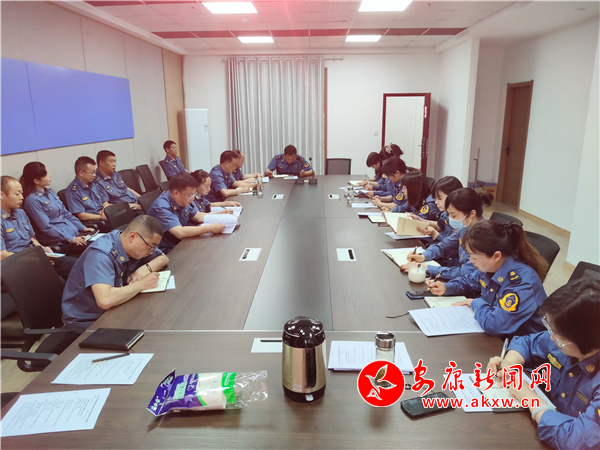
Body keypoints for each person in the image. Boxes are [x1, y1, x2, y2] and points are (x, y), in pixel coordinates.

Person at [486, 278, 600, 450]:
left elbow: (576, 441)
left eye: (559, 336)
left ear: (586, 338)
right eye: (550, 328)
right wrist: (509, 363)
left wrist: (528, 396)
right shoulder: (565, 338)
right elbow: (527, 343)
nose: (552, 337)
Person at [427, 221, 548, 338]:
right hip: (497, 333)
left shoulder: (521, 282)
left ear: (496, 256)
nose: (471, 261)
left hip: (522, 344)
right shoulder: (492, 266)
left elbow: (495, 326)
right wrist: (447, 287)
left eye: (474, 257)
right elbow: (469, 282)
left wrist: (474, 303)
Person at [61, 215, 168, 330]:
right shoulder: (100, 254)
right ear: (133, 237)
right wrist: (142, 284)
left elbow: (163, 258)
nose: (151, 252)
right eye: (150, 247)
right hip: (87, 320)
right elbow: (105, 300)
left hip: (115, 308)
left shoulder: (128, 242)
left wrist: (145, 268)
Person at [401, 188, 493, 280]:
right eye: (449, 214)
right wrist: (423, 255)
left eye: (454, 215)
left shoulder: (483, 236)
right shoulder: (465, 227)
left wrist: (427, 268)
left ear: (472, 214)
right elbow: (444, 246)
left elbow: (465, 273)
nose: (450, 219)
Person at [1, 176, 77, 279]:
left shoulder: (20, 213)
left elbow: (31, 238)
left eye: (21, 193)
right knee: (56, 281)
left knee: (78, 265)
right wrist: (36, 259)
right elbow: (2, 254)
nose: (21, 197)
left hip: (35, 257)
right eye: (17, 194)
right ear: (2, 195)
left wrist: (42, 249)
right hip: (17, 265)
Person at [21, 162, 94, 255]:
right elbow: (46, 227)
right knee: (95, 248)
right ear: (36, 181)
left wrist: (82, 228)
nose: (49, 176)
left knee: (102, 241)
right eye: (45, 174)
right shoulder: (32, 200)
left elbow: (66, 214)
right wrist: (71, 239)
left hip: (75, 234)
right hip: (61, 241)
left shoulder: (50, 192)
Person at [147, 172, 226, 253]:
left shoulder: (182, 200)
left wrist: (221, 214)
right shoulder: (161, 207)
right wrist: (209, 228)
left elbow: (198, 216)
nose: (193, 198)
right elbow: (179, 232)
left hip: (182, 242)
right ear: (176, 193)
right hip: (168, 250)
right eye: (191, 195)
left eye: (194, 194)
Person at [65, 156, 112, 232]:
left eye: (95, 172)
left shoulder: (93, 184)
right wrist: (102, 216)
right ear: (81, 173)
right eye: (92, 172)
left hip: (105, 215)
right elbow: (81, 216)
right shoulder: (73, 191)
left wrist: (105, 210)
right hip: (97, 221)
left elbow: (104, 201)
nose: (95, 175)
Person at [409, 176, 463, 242]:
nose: (436, 202)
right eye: (436, 198)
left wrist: (435, 234)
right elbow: (438, 226)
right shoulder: (445, 214)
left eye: (440, 198)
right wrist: (420, 220)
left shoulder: (461, 220)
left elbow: (452, 245)